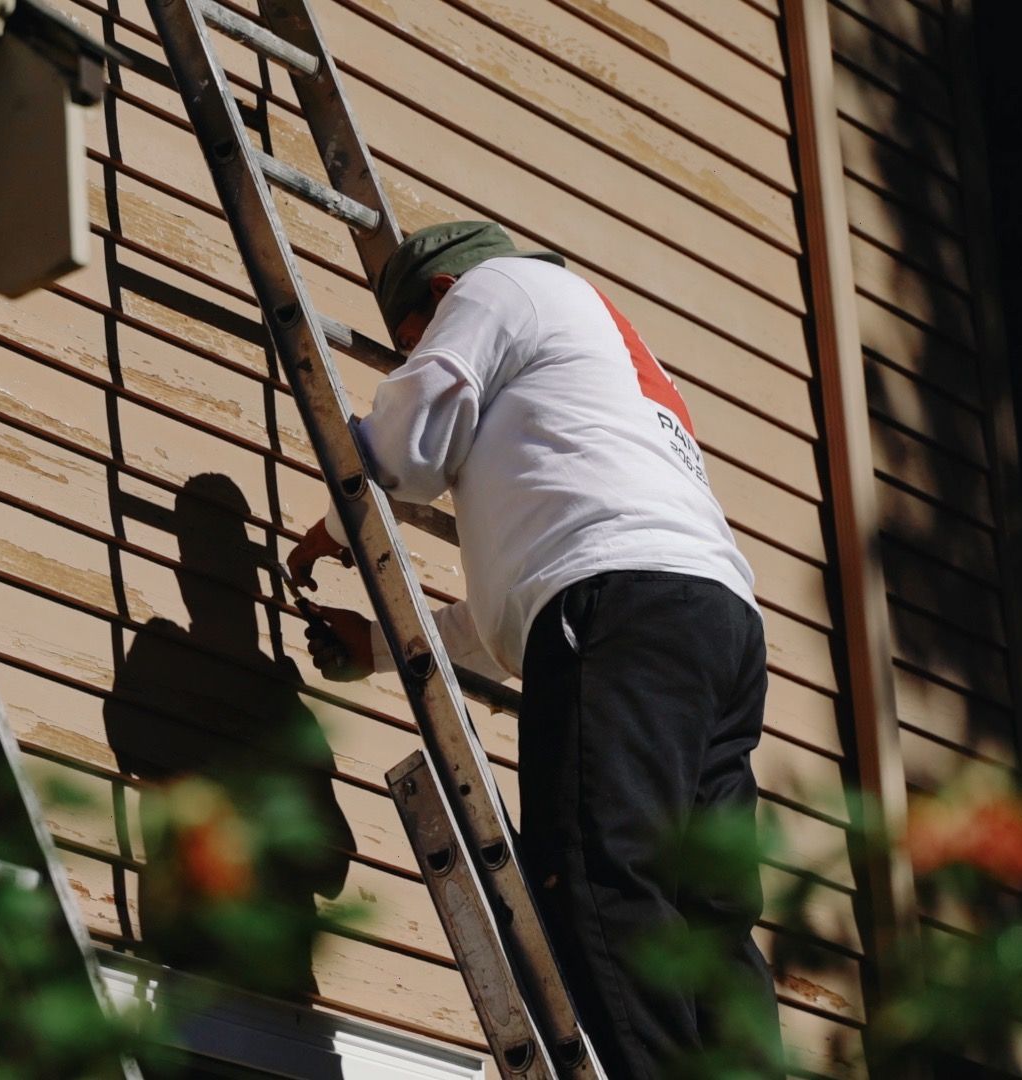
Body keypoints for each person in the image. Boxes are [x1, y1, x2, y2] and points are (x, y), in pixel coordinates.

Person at [286, 221, 780, 1076]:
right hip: (712, 623)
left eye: (410, 339)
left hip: (621, 606)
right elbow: (523, 612)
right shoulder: (607, 368)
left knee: (598, 869)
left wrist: (333, 528)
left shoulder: (499, 289)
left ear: (442, 295)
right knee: (706, 908)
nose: (416, 353)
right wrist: (376, 646)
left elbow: (410, 442)